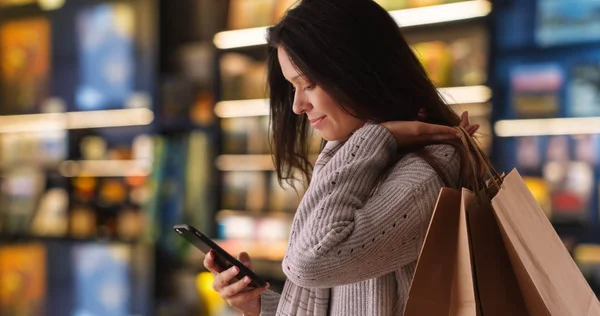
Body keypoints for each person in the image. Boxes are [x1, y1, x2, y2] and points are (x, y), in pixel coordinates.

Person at [205, 0, 485, 315]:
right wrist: (257, 303)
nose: (298, 106)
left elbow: (310, 262)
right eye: (292, 87)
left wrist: (377, 137)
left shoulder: (426, 174)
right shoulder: (363, 158)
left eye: (308, 84)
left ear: (355, 71)